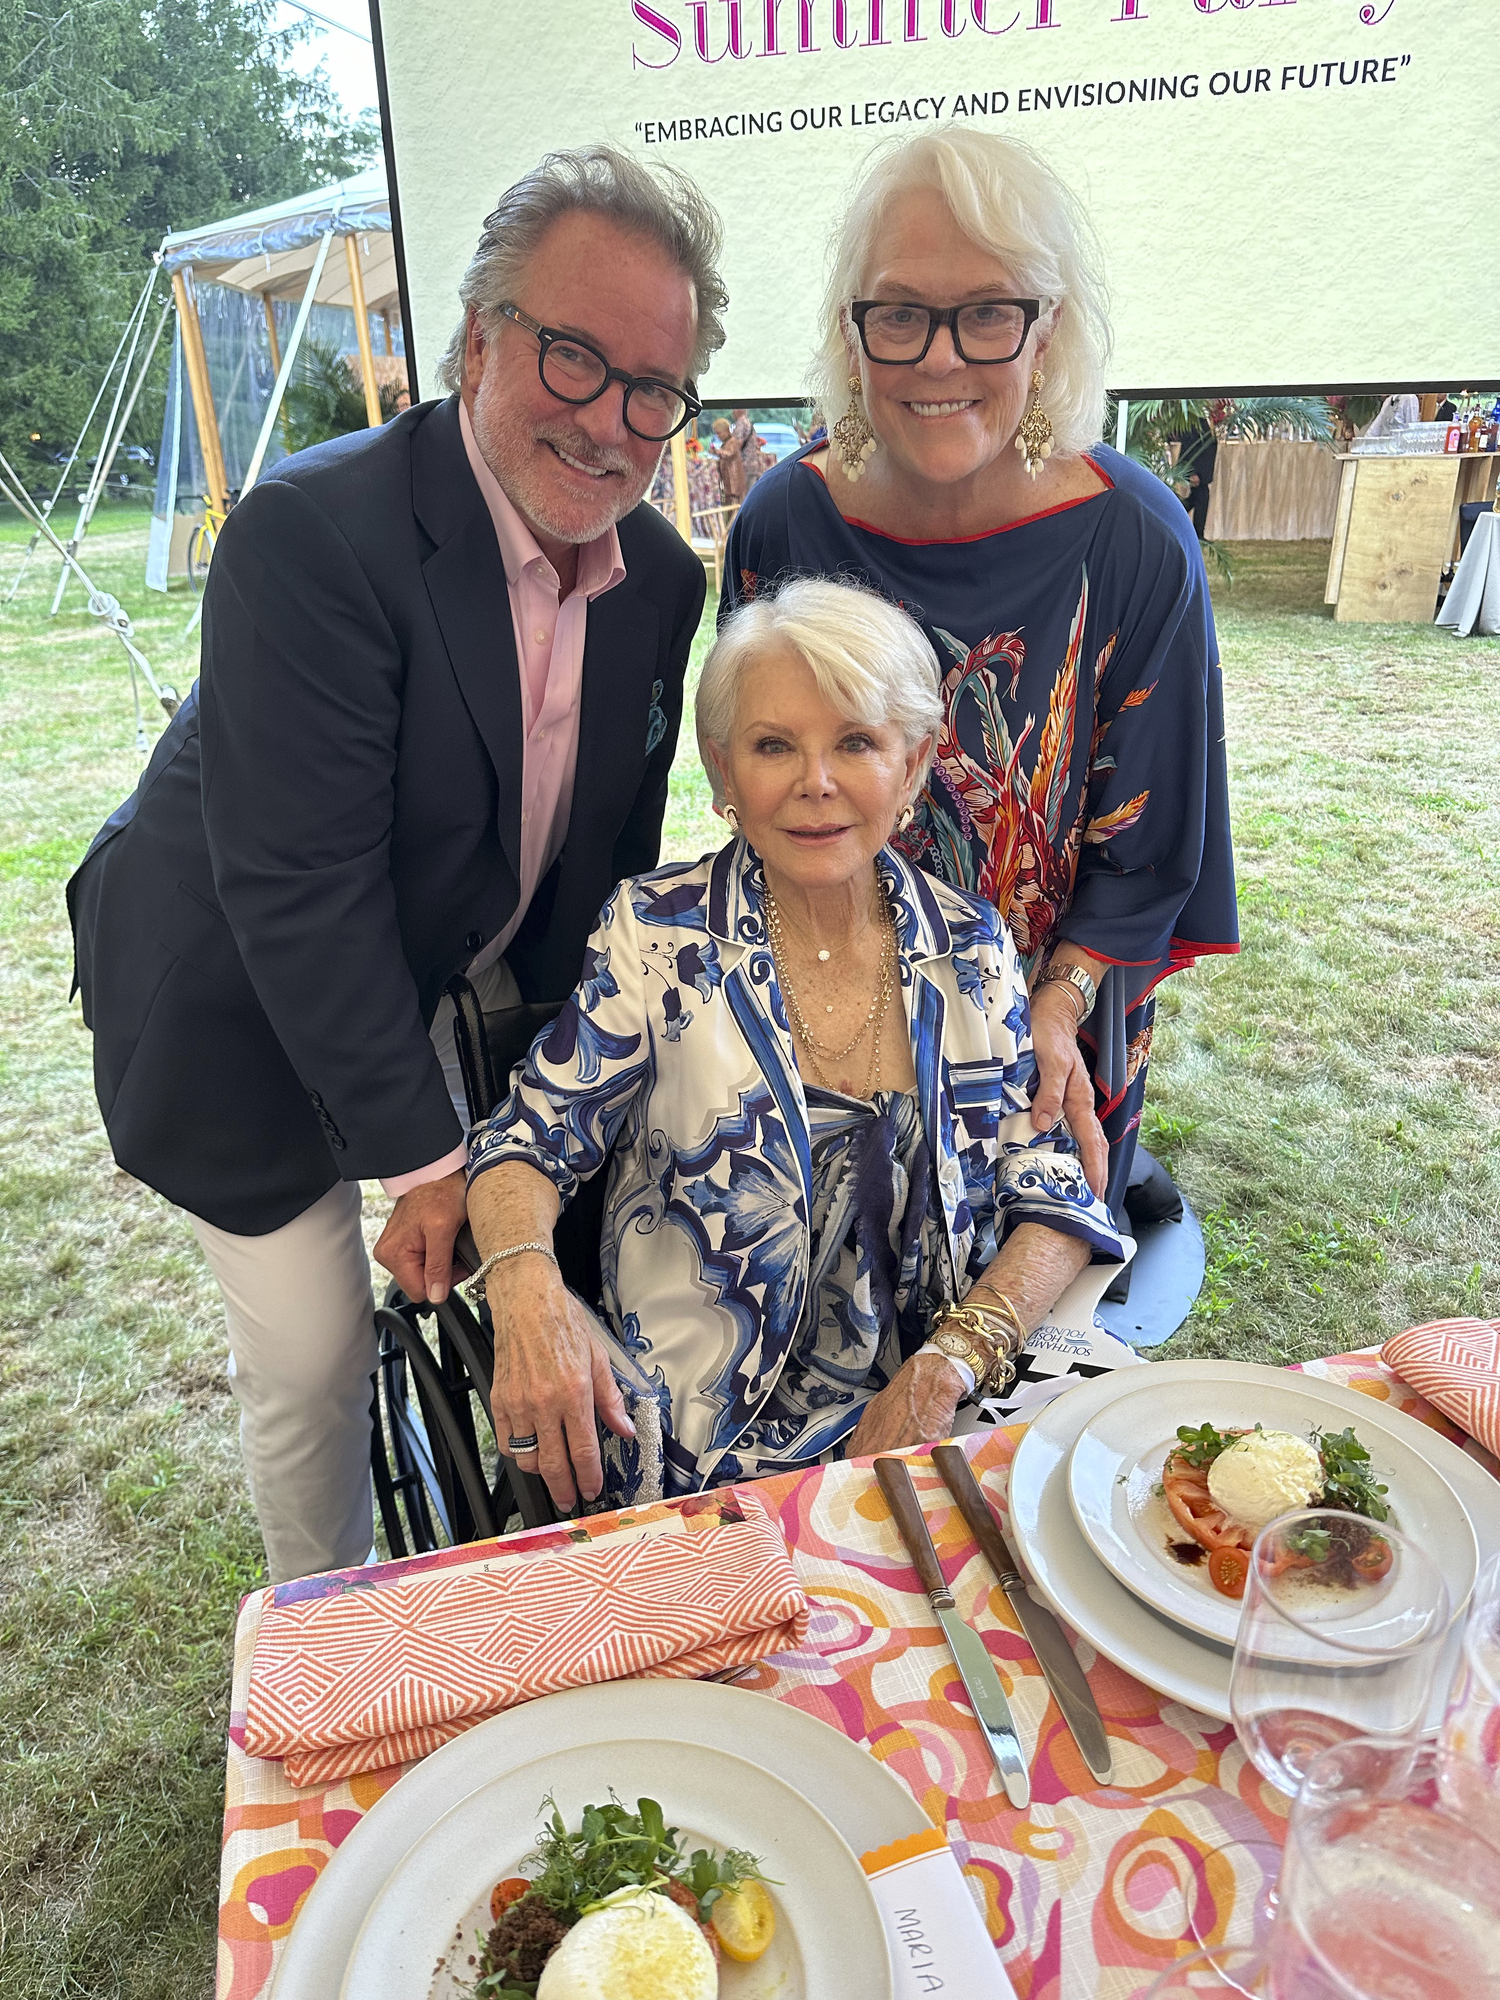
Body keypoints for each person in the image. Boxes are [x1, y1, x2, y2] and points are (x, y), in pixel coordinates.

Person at [67, 146, 727, 1583]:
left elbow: (600, 872)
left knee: (566, 1248)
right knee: (313, 1355)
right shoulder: (313, 535)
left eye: (654, 390)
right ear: (478, 336)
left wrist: (543, 1134)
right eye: (571, 356)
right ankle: (334, 1629)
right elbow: (299, 893)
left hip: (438, 960)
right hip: (233, 984)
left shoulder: (664, 582)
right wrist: (433, 1165)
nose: (613, 422)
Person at [465, 580, 1123, 1512]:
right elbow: (526, 1143)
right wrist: (527, 1292)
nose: (816, 784)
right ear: (724, 769)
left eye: (856, 742)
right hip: (700, 1442)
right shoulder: (661, 939)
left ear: (915, 761)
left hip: (938, 1411)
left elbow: (1047, 1183)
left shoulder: (969, 944)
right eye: (775, 746)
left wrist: (950, 1363)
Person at [723, 130, 1237, 1225]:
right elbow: (762, 797)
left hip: (1039, 1051)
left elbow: (1147, 860)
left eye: (989, 311)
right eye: (899, 313)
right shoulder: (782, 524)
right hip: (823, 1037)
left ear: (1047, 331)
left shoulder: (1134, 542)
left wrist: (1054, 1003)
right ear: (850, 332)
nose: (940, 358)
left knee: (1010, 1352)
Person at [1172, 416, 1218, 541]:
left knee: (1196, 499)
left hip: (1204, 472)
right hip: (1198, 471)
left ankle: (1174, 515)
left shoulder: (1208, 421)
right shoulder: (1196, 422)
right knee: (1202, 498)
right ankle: (1198, 534)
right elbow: (1189, 448)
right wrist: (1191, 472)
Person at [710, 414, 744, 506]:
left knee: (734, 502)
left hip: (733, 477)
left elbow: (729, 454)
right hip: (727, 478)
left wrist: (717, 451)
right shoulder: (725, 443)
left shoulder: (733, 441)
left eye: (719, 433)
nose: (718, 436)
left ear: (726, 431)